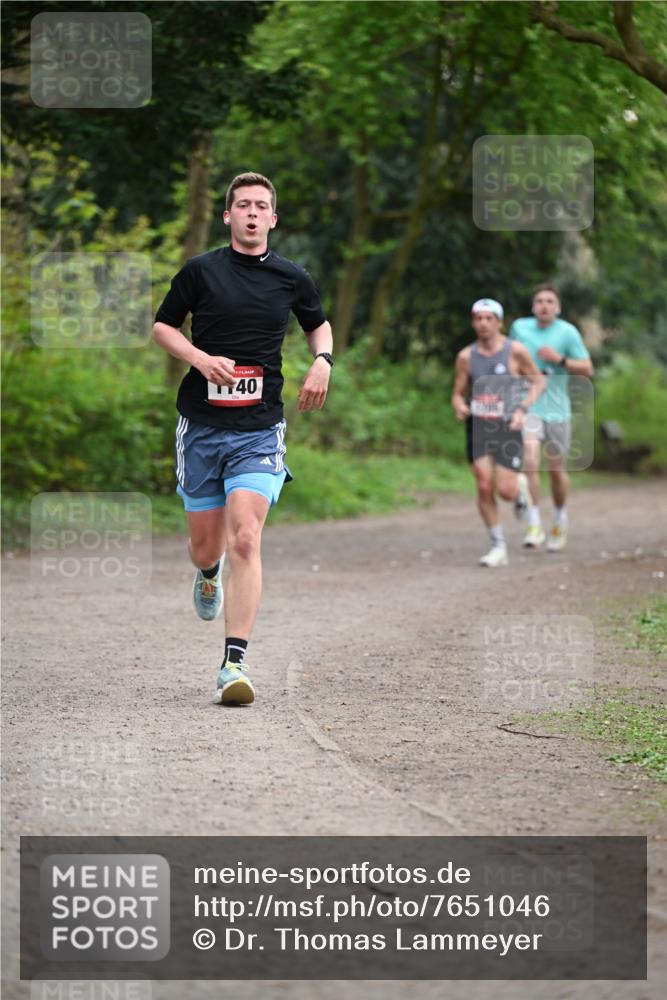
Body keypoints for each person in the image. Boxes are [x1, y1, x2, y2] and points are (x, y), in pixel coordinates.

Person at [153, 172, 333, 706]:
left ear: (273, 219)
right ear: (228, 216)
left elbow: (317, 325)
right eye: (243, 206)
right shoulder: (200, 271)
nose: (252, 213)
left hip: (259, 429)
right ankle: (208, 574)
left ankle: (233, 663)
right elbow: (163, 327)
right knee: (207, 546)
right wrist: (200, 359)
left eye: (262, 206)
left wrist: (322, 360)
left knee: (247, 538)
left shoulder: (291, 277)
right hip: (202, 427)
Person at [452, 299, 545, 567]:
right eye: (478, 319)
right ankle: (498, 546)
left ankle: (519, 491)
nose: (483, 323)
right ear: (473, 322)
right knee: (483, 483)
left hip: (507, 425)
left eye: (488, 318)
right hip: (478, 425)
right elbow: (458, 393)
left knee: (505, 490)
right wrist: (459, 405)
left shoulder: (514, 351)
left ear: (499, 322)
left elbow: (537, 380)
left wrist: (522, 409)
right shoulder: (466, 357)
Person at [509, 284, 593, 552]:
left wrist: (559, 359)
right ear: (533, 306)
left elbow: (587, 369)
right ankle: (534, 523)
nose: (544, 305)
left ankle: (559, 517)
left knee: (556, 469)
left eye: (549, 301)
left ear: (558, 307)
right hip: (529, 405)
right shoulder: (520, 328)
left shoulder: (567, 332)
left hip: (558, 409)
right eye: (539, 300)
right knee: (530, 459)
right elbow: (510, 361)